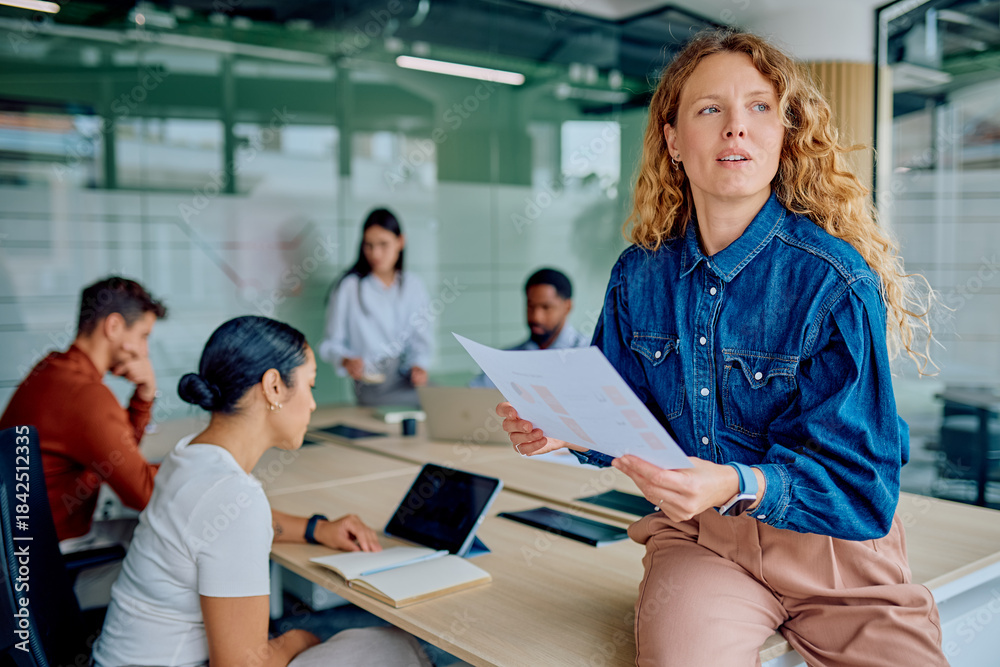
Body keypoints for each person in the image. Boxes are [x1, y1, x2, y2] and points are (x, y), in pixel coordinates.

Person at [499, 30, 948, 666]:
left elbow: (864, 492)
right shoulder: (638, 275)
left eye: (759, 108)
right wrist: (566, 430)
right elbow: (626, 421)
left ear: (785, 135)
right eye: (710, 109)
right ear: (674, 141)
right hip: (703, 544)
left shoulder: (834, 281)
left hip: (835, 554)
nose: (736, 128)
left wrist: (739, 481)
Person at [93, 315, 430, 667]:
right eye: (309, 386)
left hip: (117, 659)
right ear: (272, 387)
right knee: (391, 646)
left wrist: (317, 529)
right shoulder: (233, 495)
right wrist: (301, 639)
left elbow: (220, 526)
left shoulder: (188, 454)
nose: (313, 404)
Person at [0, 277, 166, 606]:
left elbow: (114, 455)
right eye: (143, 336)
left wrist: (143, 397)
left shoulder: (52, 371)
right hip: (50, 547)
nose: (144, 351)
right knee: (166, 535)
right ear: (114, 325)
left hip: (18, 543)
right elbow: (143, 493)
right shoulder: (85, 395)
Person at [320, 208, 433, 407]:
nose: (375, 253)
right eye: (369, 245)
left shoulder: (413, 286)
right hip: (370, 386)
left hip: (405, 378)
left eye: (383, 244)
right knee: (433, 403)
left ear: (401, 242)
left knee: (444, 398)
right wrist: (346, 360)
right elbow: (330, 345)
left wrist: (419, 367)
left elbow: (421, 342)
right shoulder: (349, 287)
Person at [470, 268, 588, 388]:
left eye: (546, 307)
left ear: (567, 307)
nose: (536, 317)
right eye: (531, 306)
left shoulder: (590, 353)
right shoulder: (508, 358)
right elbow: (472, 395)